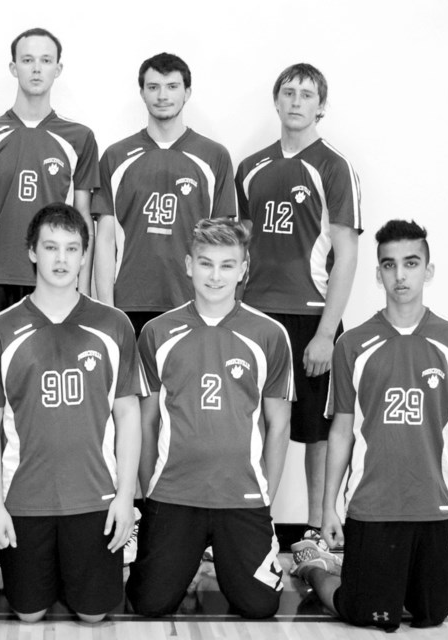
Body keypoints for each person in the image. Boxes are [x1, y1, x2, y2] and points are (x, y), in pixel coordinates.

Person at [0, 203, 147, 622]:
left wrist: (126, 497)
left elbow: (128, 417)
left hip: (94, 498)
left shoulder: (114, 325)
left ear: (84, 255)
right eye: (50, 247)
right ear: (32, 251)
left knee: (94, 615)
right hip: (25, 500)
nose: (61, 259)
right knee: (29, 614)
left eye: (72, 249)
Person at [289, 219, 448, 632]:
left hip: (435, 505)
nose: (400, 275)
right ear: (378, 272)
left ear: (428, 271)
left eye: (411, 263)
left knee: (431, 615)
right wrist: (328, 507)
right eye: (389, 265)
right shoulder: (353, 345)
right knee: (366, 613)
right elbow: (341, 430)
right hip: (373, 506)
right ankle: (313, 568)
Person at [126, 218, 292, 618]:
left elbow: (279, 425)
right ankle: (178, 560)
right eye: (205, 263)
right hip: (174, 494)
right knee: (150, 604)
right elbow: (146, 423)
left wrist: (263, 491)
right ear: (188, 265)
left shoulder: (269, 335)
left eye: (226, 265)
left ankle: (222, 565)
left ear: (243, 268)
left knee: (260, 606)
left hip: (242, 495)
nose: (215, 276)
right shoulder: (155, 332)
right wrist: (151, 490)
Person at [234, 63, 362, 545]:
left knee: (316, 430)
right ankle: (250, 524)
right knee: (250, 424)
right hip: (255, 316)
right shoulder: (251, 167)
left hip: (311, 317)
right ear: (276, 101)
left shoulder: (334, 167)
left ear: (320, 106)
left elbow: (347, 253)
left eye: (306, 94)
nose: (296, 101)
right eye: (288, 92)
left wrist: (328, 332)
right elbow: (238, 247)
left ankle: (316, 523)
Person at [0, 27, 100, 334]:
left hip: (59, 276)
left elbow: (83, 220)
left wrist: (85, 288)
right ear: (13, 68)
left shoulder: (79, 138)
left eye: (45, 60)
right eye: (27, 60)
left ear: (58, 69)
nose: (37, 68)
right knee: (1, 376)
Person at [93, 52, 237, 337]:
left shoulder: (214, 156)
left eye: (172, 86)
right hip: (128, 304)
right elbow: (105, 238)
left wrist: (218, 307)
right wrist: (107, 309)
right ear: (142, 93)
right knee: (132, 384)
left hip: (192, 303)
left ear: (187, 93)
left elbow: (223, 241)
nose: (162, 95)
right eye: (153, 87)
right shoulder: (116, 156)